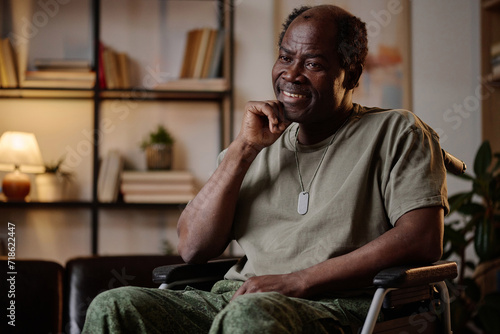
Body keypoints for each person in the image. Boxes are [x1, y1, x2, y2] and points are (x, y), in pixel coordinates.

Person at [83, 4, 448, 333]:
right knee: (114, 306)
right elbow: (191, 249)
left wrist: (298, 281)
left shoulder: (396, 131)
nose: (292, 75)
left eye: (313, 64)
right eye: (285, 58)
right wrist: (243, 150)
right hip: (236, 299)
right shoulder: (250, 146)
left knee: (248, 317)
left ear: (350, 76)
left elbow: (422, 238)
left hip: (340, 307)